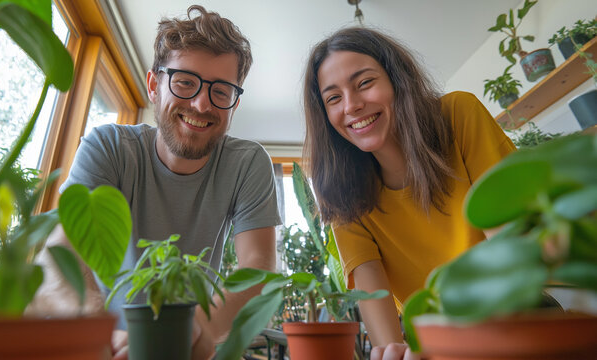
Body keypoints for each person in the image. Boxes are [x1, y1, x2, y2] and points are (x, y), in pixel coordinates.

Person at [28, 5, 281, 360]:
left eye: (221, 91)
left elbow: (257, 268)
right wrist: (96, 328)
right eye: (184, 82)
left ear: (234, 103)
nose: (200, 103)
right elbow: (57, 258)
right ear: (153, 86)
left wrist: (199, 329)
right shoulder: (109, 148)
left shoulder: (248, 163)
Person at [302, 27, 516, 360]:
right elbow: (388, 339)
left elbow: (513, 248)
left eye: (365, 83)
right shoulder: (342, 194)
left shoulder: (459, 116)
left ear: (397, 80)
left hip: (518, 315)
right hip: (440, 345)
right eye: (333, 98)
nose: (352, 106)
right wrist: (395, 353)